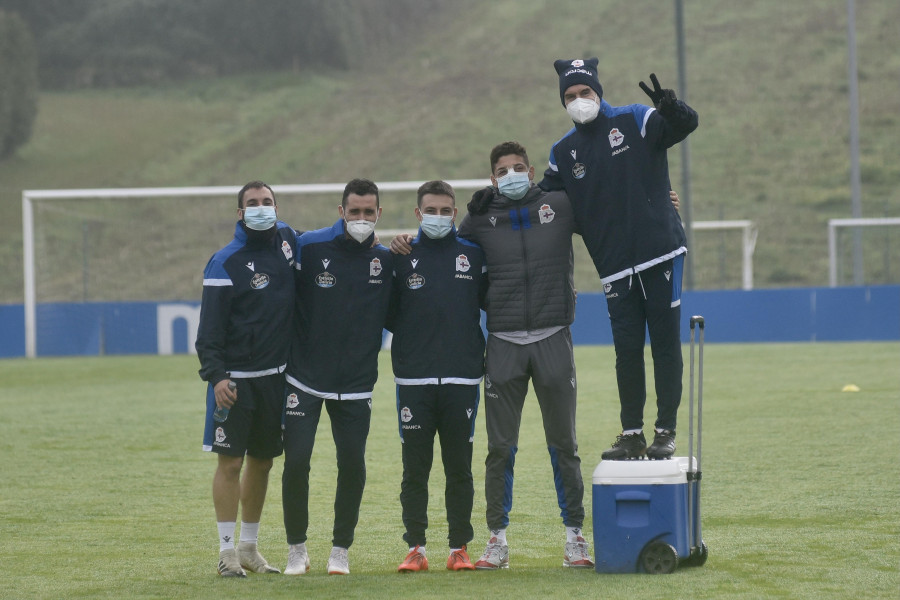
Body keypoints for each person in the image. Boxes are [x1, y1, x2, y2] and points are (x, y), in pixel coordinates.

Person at [393, 142, 594, 570]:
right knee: (500, 448)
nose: (512, 174)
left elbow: (608, 212)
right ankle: (496, 540)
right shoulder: (480, 217)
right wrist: (405, 244)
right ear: (492, 178)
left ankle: (575, 535)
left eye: (519, 167)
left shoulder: (560, 204)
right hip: (502, 342)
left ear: (532, 170)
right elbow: (444, 247)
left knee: (565, 444)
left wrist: (660, 199)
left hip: (554, 336)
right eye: (503, 170)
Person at [539, 58, 699, 460]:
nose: (579, 100)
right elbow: (549, 204)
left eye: (585, 92)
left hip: (659, 252)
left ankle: (666, 431)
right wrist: (499, 196)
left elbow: (684, 126)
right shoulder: (563, 152)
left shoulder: (637, 119)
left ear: (599, 91)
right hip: (612, 265)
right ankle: (631, 433)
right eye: (570, 96)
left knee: (664, 343)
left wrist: (672, 107)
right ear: (563, 101)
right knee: (626, 349)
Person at [281, 178, 394, 576]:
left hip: (357, 383)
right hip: (304, 378)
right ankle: (296, 549)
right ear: (341, 210)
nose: (361, 218)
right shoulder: (309, 247)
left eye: (368, 212)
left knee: (352, 464)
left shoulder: (386, 259)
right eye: (354, 211)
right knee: (295, 462)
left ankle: (340, 550)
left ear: (378, 214)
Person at [196, 180, 296, 577]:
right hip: (234, 381)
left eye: (267, 202)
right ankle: (226, 553)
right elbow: (209, 332)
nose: (261, 208)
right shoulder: (225, 261)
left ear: (276, 207)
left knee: (264, 462)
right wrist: (217, 376)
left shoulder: (287, 242)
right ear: (240, 213)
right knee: (231, 463)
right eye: (252, 203)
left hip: (276, 379)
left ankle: (250, 548)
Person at [387, 180, 487, 573]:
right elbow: (389, 314)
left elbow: (490, 301)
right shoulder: (400, 256)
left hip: (463, 378)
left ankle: (459, 547)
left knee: (459, 468)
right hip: (414, 379)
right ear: (418, 214)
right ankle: (415, 547)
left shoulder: (473, 256)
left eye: (446, 211)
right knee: (415, 469)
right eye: (432, 210)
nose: (439, 217)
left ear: (455, 213)